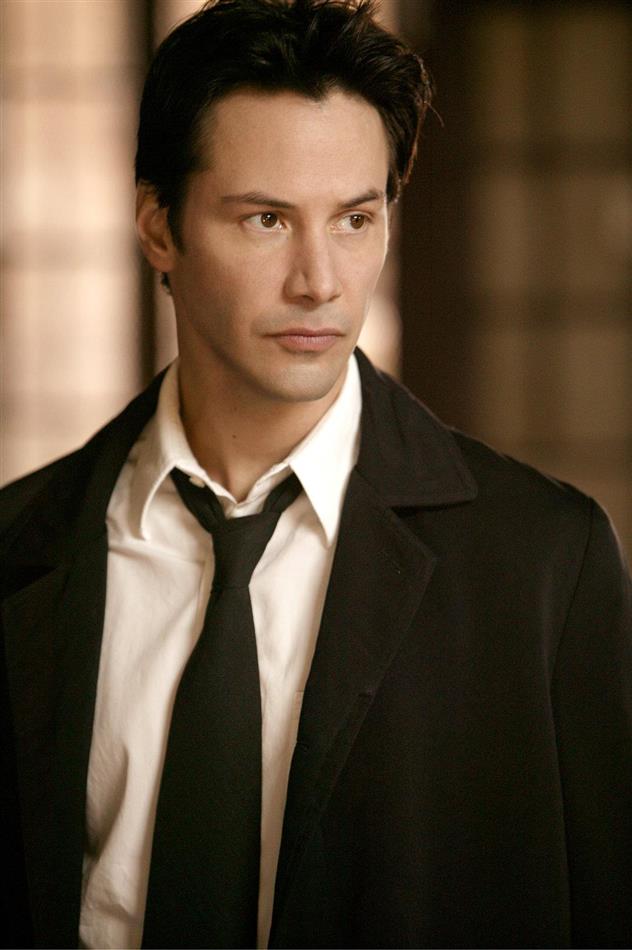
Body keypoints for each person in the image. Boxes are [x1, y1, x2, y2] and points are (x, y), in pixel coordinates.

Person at [1, 0, 631, 947]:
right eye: (266, 220)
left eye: (354, 220)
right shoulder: (19, 544)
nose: (320, 282)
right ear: (158, 226)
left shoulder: (543, 562)